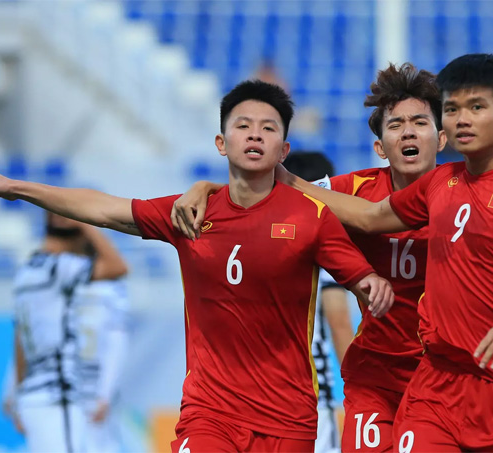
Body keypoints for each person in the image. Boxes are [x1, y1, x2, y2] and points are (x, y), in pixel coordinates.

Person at [0, 80, 394, 453]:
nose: (254, 135)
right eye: (242, 126)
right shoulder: (190, 214)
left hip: (288, 418)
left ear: (283, 148)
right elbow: (104, 209)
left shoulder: (310, 217)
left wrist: (374, 285)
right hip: (210, 413)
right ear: (222, 142)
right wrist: (16, 187)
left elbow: (363, 281)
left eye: (268, 128)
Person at [271, 54, 493, 452]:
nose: (462, 119)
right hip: (421, 380)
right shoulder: (430, 185)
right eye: (453, 109)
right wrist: (267, 181)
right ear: (380, 145)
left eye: (475, 108)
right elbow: (369, 216)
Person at [172, 63, 446, 452]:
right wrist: (204, 189)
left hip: (443, 374)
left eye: (419, 122)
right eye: (395, 124)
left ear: (443, 137)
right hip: (376, 377)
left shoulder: (463, 194)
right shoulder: (350, 190)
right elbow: (265, 191)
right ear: (379, 146)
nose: (408, 132)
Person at [3, 213, 128, 453]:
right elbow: (118, 266)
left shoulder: (25, 273)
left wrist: (17, 394)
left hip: (34, 396)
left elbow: (20, 341)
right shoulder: (59, 268)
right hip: (56, 397)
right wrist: (85, 221)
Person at [282, 151, 354, 453]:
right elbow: (339, 328)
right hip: (312, 406)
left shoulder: (269, 244)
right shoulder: (320, 247)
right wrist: (360, 396)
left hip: (263, 403)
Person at [72, 277, 130, 453]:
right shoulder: (111, 290)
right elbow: (117, 343)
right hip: (93, 386)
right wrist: (106, 393)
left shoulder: (67, 284)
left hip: (75, 385)